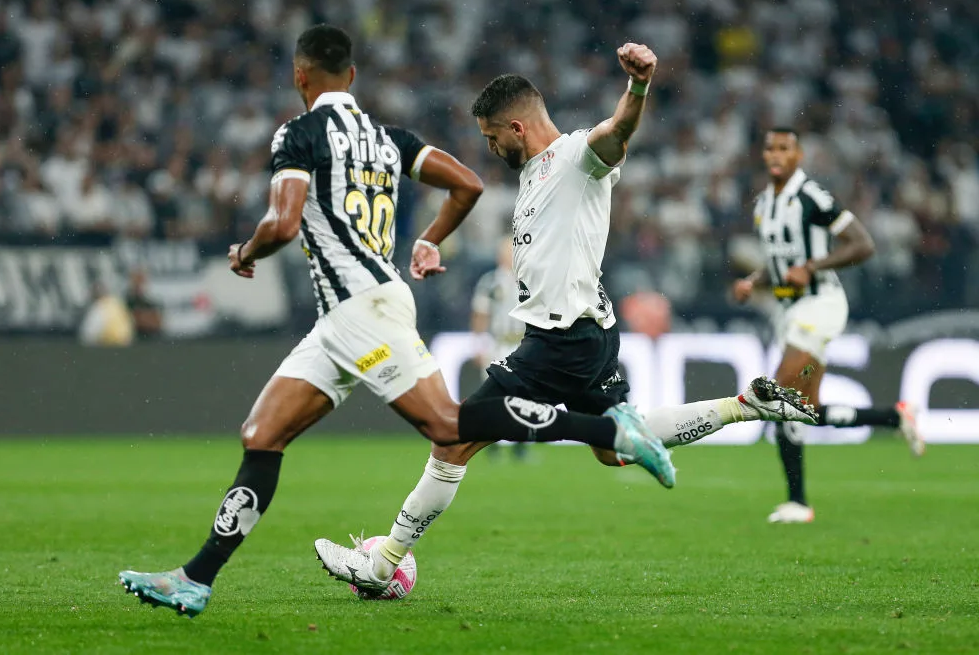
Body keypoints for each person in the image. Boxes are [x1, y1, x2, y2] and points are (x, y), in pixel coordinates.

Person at [117, 25, 678, 618]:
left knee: (447, 426)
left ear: (299, 78)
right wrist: (429, 239)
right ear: (353, 78)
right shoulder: (388, 140)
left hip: (363, 305)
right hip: (337, 318)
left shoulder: (298, 134)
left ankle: (610, 432)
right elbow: (465, 182)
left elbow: (282, 226)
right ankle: (196, 580)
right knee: (263, 435)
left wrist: (244, 253)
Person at [313, 45, 819, 596]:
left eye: (491, 137)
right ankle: (743, 406)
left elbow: (616, 134)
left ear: (515, 125)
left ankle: (383, 564)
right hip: (586, 333)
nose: (490, 147)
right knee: (614, 450)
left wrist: (639, 87)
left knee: (452, 437)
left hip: (559, 340)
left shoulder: (577, 157)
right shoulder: (534, 171)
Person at [732, 128, 925, 525]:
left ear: (798, 155)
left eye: (785, 148)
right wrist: (754, 282)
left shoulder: (812, 197)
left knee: (779, 395)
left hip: (820, 305)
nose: (776, 154)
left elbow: (862, 244)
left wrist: (813, 267)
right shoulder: (765, 203)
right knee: (807, 410)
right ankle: (895, 416)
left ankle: (798, 502)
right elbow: (779, 264)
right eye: (770, 147)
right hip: (790, 311)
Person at [470, 237, 528, 460]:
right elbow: (480, 313)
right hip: (499, 342)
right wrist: (479, 343)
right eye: (507, 251)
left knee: (523, 395)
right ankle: (490, 444)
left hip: (522, 343)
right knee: (494, 396)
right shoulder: (490, 282)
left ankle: (520, 444)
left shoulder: (528, 279)